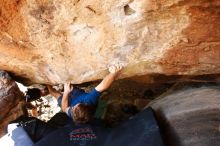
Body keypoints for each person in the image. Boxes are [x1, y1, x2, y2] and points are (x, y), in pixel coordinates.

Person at [47, 64, 123, 124]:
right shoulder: (89, 99)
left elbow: (64, 108)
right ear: (85, 104)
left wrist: (66, 92)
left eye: (73, 108)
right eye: (75, 107)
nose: (73, 107)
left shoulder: (73, 113)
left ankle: (47, 84)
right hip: (78, 95)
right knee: (71, 86)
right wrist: (113, 73)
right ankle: (102, 102)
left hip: (72, 98)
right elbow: (102, 86)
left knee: (54, 93)